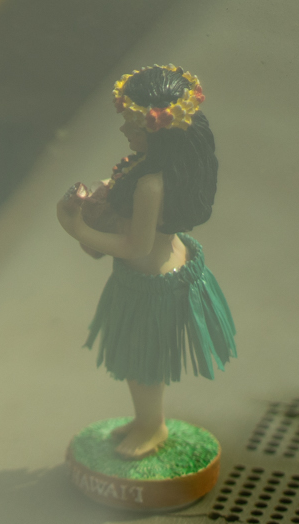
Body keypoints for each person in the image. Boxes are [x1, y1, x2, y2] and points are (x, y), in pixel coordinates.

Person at [55, 64, 236, 458]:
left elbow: (136, 247)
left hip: (153, 284)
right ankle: (145, 421)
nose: (124, 131)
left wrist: (77, 228)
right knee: (138, 364)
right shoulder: (145, 167)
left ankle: (152, 426)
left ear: (159, 134)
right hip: (150, 274)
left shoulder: (152, 184)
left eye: (134, 127)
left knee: (143, 366)